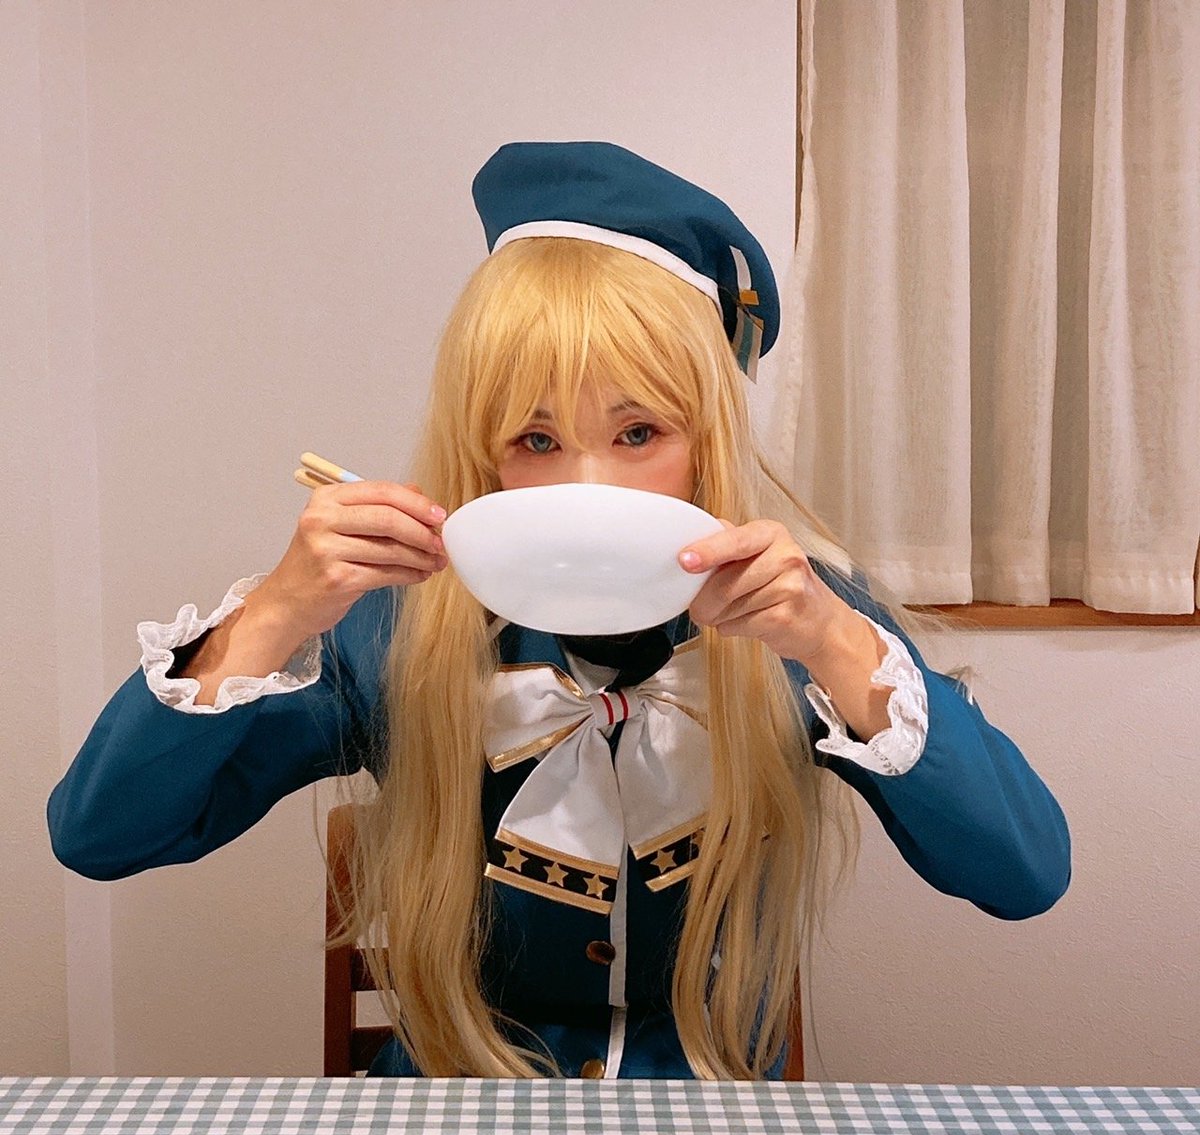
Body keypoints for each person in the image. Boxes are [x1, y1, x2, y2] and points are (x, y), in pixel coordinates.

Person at [47, 140, 1071, 1081]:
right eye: (536, 441)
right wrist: (274, 613)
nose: (591, 485)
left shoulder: (792, 615)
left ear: (710, 439)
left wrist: (836, 641)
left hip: (708, 1113)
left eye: (639, 433)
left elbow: (1024, 874)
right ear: (482, 450)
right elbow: (99, 836)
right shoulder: (397, 627)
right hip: (458, 1106)